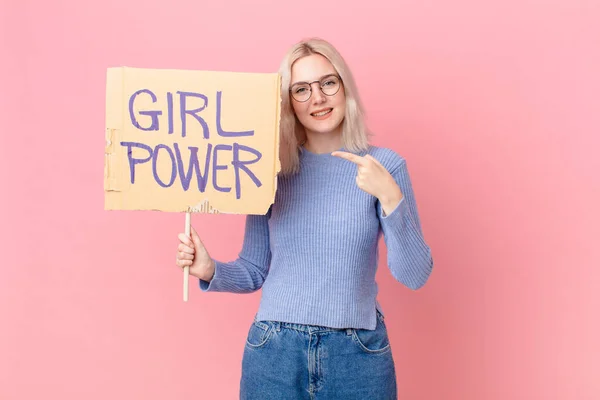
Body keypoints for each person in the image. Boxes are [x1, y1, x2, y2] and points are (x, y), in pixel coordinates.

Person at [175, 37, 433, 400]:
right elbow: (254, 269)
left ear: (345, 87)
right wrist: (209, 269)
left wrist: (391, 196)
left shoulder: (384, 167)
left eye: (328, 83)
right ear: (288, 103)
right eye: (301, 89)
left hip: (357, 354)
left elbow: (415, 274)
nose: (318, 98)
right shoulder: (270, 171)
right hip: (275, 354)